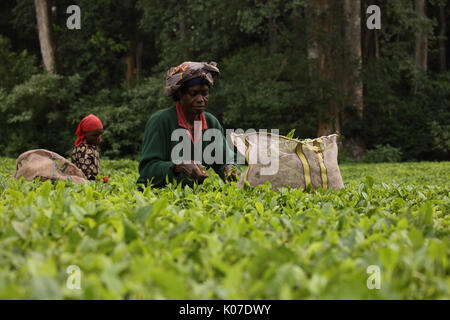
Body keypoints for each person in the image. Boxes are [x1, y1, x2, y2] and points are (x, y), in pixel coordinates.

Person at [137, 61, 240, 189]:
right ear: (180, 94)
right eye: (193, 93)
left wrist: (230, 168)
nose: (201, 99)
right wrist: (178, 166)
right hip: (158, 198)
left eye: (205, 93)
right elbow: (147, 171)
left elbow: (226, 159)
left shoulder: (211, 122)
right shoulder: (161, 121)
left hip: (193, 199)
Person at [71, 114, 106, 181]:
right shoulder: (84, 149)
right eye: (95, 135)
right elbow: (86, 176)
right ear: (85, 133)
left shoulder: (91, 147)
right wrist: (99, 181)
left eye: (101, 134)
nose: (99, 138)